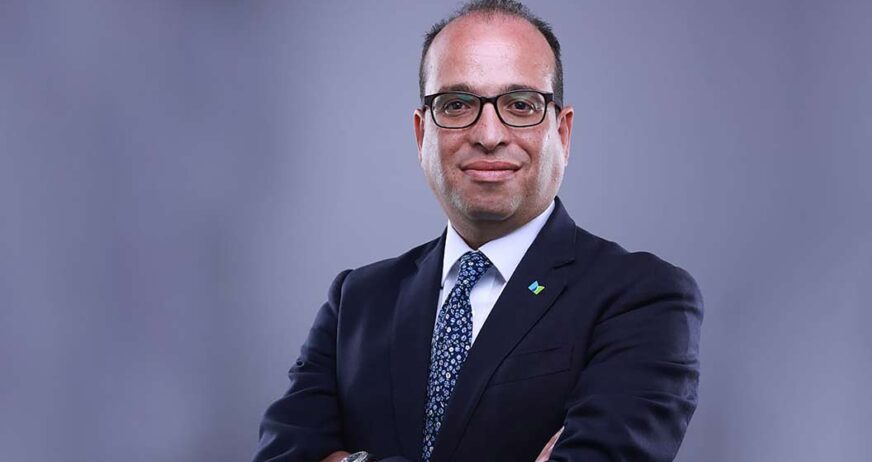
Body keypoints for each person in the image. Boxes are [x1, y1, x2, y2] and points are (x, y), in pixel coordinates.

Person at [252, 1, 703, 461]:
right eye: (456, 105)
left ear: (562, 133)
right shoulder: (357, 301)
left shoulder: (643, 298)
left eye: (520, 105)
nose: (489, 134)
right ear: (421, 134)